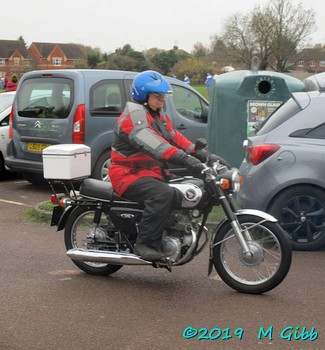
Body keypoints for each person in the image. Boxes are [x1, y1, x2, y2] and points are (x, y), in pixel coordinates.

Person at [109, 70, 227, 260]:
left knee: (184, 186)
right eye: (157, 96)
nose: (162, 100)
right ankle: (145, 244)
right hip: (127, 174)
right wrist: (188, 161)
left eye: (163, 96)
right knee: (163, 193)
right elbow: (158, 147)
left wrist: (203, 154)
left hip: (148, 172)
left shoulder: (157, 115)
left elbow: (175, 137)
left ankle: (170, 231)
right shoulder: (134, 117)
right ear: (143, 95)